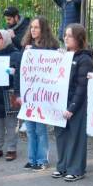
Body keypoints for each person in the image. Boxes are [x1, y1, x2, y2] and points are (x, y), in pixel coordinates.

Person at [52, 23, 93, 182]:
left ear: (78, 38)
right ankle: (62, 166)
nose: (65, 38)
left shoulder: (85, 59)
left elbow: (82, 86)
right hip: (61, 102)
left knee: (76, 136)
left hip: (77, 104)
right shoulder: (64, 55)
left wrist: (72, 107)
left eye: (69, 35)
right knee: (61, 134)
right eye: (65, 35)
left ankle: (76, 169)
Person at [20, 16, 60, 171]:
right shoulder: (26, 47)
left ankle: (42, 159)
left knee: (40, 130)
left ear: (43, 29)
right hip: (29, 95)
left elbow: (56, 69)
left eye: (36, 27)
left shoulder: (51, 47)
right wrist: (19, 93)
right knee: (30, 129)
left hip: (43, 96)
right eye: (32, 27)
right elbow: (21, 72)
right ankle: (32, 159)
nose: (33, 30)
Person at [0, 29, 21, 161]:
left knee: (11, 124)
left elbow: (21, 74)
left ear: (6, 40)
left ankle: (12, 149)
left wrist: (14, 72)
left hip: (9, 94)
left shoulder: (15, 55)